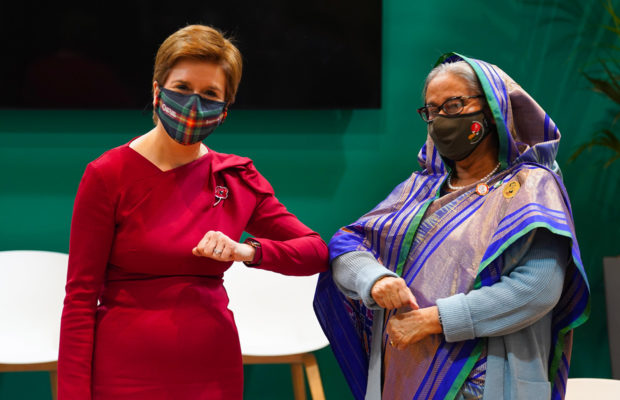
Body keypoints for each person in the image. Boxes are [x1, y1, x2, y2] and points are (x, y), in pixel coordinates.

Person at [58, 24, 329, 399]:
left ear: (224, 110)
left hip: (212, 371)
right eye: (183, 88)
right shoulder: (107, 175)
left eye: (209, 94)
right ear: (156, 90)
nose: (193, 103)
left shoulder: (236, 177)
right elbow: (80, 298)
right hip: (123, 371)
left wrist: (246, 251)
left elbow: (314, 251)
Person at [313, 53, 590, 400]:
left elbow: (537, 289)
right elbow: (346, 247)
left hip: (483, 385)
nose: (441, 120)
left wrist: (434, 320)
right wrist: (375, 280)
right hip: (405, 377)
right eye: (432, 110)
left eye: (454, 106)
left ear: (491, 109)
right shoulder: (418, 190)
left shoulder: (530, 186)